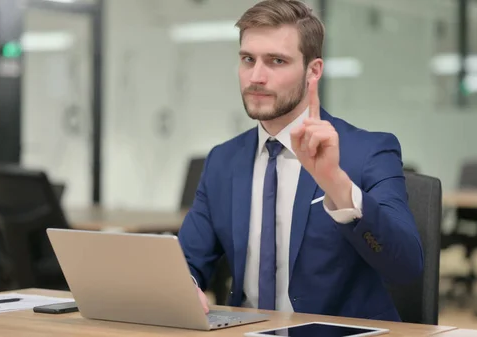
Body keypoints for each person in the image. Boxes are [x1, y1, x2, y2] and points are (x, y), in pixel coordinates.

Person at [177, 0, 423, 322]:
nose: (256, 76)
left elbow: (407, 266)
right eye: (248, 59)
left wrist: (335, 181)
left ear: (313, 71)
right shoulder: (224, 160)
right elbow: (187, 260)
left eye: (276, 61)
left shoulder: (369, 151)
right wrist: (185, 286)